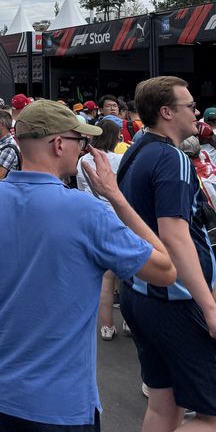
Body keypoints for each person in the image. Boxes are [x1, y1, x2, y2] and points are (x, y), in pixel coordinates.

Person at [0, 101, 177, 432]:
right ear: (58, 144)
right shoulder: (86, 211)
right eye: (79, 141)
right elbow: (165, 270)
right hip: (61, 402)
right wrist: (115, 195)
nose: (83, 149)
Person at [117, 76, 216, 432]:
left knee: (165, 406)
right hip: (176, 299)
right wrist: (210, 310)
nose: (196, 112)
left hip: (142, 291)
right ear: (167, 112)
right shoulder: (172, 158)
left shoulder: (137, 150)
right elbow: (175, 237)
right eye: (190, 106)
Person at [76, 116, 124, 340]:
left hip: (93, 218)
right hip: (119, 218)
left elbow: (81, 189)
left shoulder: (82, 161)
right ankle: (129, 322)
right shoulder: (120, 160)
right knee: (126, 272)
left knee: (104, 276)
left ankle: (106, 326)